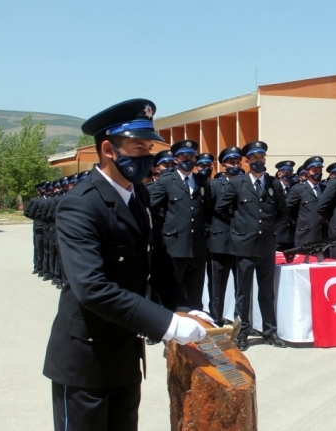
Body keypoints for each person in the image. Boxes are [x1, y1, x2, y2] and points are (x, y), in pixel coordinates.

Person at [43, 98, 212, 431]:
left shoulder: (139, 195)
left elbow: (159, 261)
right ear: (109, 148)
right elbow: (93, 288)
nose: (147, 156)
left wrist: (184, 307)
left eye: (149, 147)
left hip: (125, 353)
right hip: (86, 361)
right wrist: (168, 324)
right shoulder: (80, 205)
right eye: (138, 147)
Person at [214, 140, 289, 351]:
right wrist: (238, 228)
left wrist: (275, 233)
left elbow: (283, 212)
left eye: (261, 157)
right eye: (254, 158)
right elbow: (221, 209)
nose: (259, 161)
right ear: (247, 161)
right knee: (243, 293)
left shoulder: (273, 183)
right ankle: (243, 333)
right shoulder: (238, 183)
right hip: (244, 246)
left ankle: (269, 331)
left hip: (266, 245)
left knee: (267, 292)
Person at [150, 140, 212, 311]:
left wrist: (204, 232)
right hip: (175, 245)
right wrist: (164, 232)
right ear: (176, 160)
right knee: (174, 291)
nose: (188, 160)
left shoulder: (202, 182)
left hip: (197, 246)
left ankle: (197, 331)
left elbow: (207, 210)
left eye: (191, 156)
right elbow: (152, 209)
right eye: (184, 156)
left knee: (195, 294)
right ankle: (173, 331)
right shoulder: (166, 181)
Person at [207, 146, 243, 326]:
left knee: (241, 286)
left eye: (237, 162)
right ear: (223, 165)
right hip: (220, 240)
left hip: (241, 241)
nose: (235, 166)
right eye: (231, 162)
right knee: (217, 285)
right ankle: (216, 319)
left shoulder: (245, 183)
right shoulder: (214, 185)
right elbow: (207, 212)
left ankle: (240, 322)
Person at [286, 156, 327, 247]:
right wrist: (300, 221)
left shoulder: (325, 188)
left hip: (323, 234)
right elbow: (288, 208)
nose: (318, 173)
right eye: (315, 170)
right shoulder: (299, 189)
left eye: (320, 170)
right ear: (307, 172)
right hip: (306, 234)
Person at [274, 160, 296, 251]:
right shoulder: (273, 187)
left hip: (292, 234)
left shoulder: (295, 188)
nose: (289, 175)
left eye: (290, 173)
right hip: (278, 233)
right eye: (286, 172)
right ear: (279, 174)